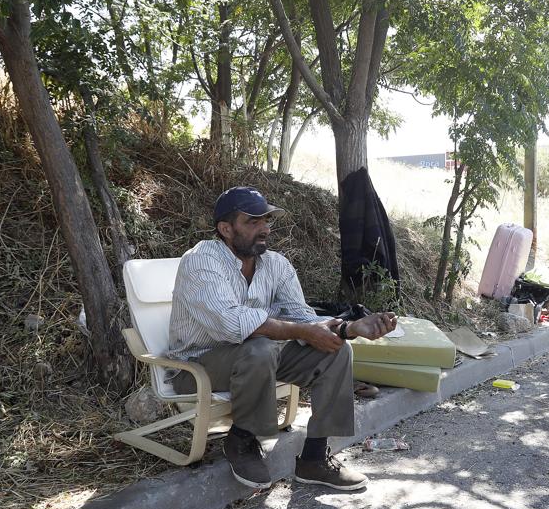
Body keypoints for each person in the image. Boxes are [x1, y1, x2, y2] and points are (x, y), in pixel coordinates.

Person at [168, 186, 398, 491]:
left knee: (335, 352)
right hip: (198, 366)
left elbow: (303, 318)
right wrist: (301, 331)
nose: (264, 229)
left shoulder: (275, 264)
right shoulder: (202, 261)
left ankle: (314, 459)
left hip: (257, 358)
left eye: (266, 221)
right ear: (225, 229)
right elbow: (232, 324)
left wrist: (349, 329)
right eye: (252, 222)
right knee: (259, 349)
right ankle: (241, 440)